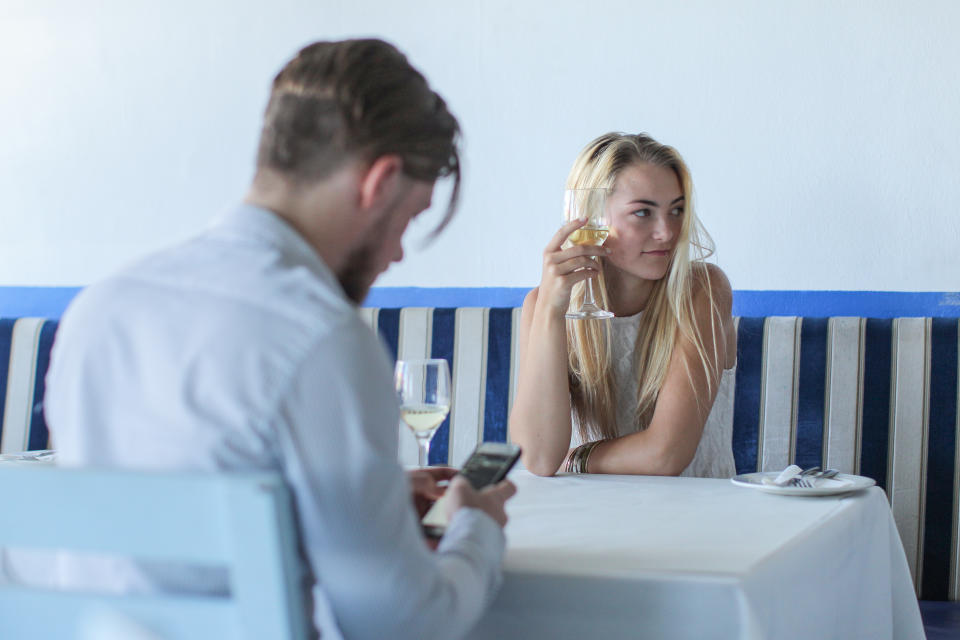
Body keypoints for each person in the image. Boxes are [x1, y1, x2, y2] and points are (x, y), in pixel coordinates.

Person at [41, 39, 515, 639]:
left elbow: (157, 536)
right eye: (411, 218)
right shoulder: (321, 338)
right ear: (379, 182)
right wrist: (478, 530)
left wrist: (363, 499)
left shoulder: (101, 307)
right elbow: (401, 625)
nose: (396, 253)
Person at [509, 132, 737, 478]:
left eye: (676, 210)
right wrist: (552, 310)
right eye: (643, 212)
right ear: (590, 218)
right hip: (595, 514)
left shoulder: (702, 290)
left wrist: (575, 459)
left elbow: (665, 455)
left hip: (695, 515)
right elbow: (539, 458)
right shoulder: (542, 305)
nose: (667, 231)